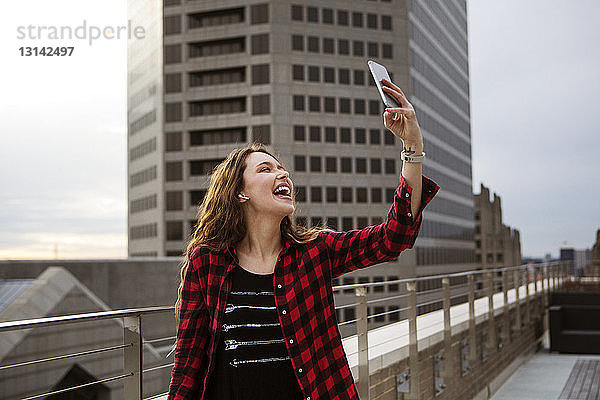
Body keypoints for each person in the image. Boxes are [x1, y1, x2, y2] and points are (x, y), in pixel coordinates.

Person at [167, 78, 440, 400]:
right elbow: (190, 358)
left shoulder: (314, 252)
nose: (283, 174)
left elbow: (394, 237)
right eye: (266, 169)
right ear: (239, 192)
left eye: (283, 170)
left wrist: (413, 149)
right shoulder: (207, 260)